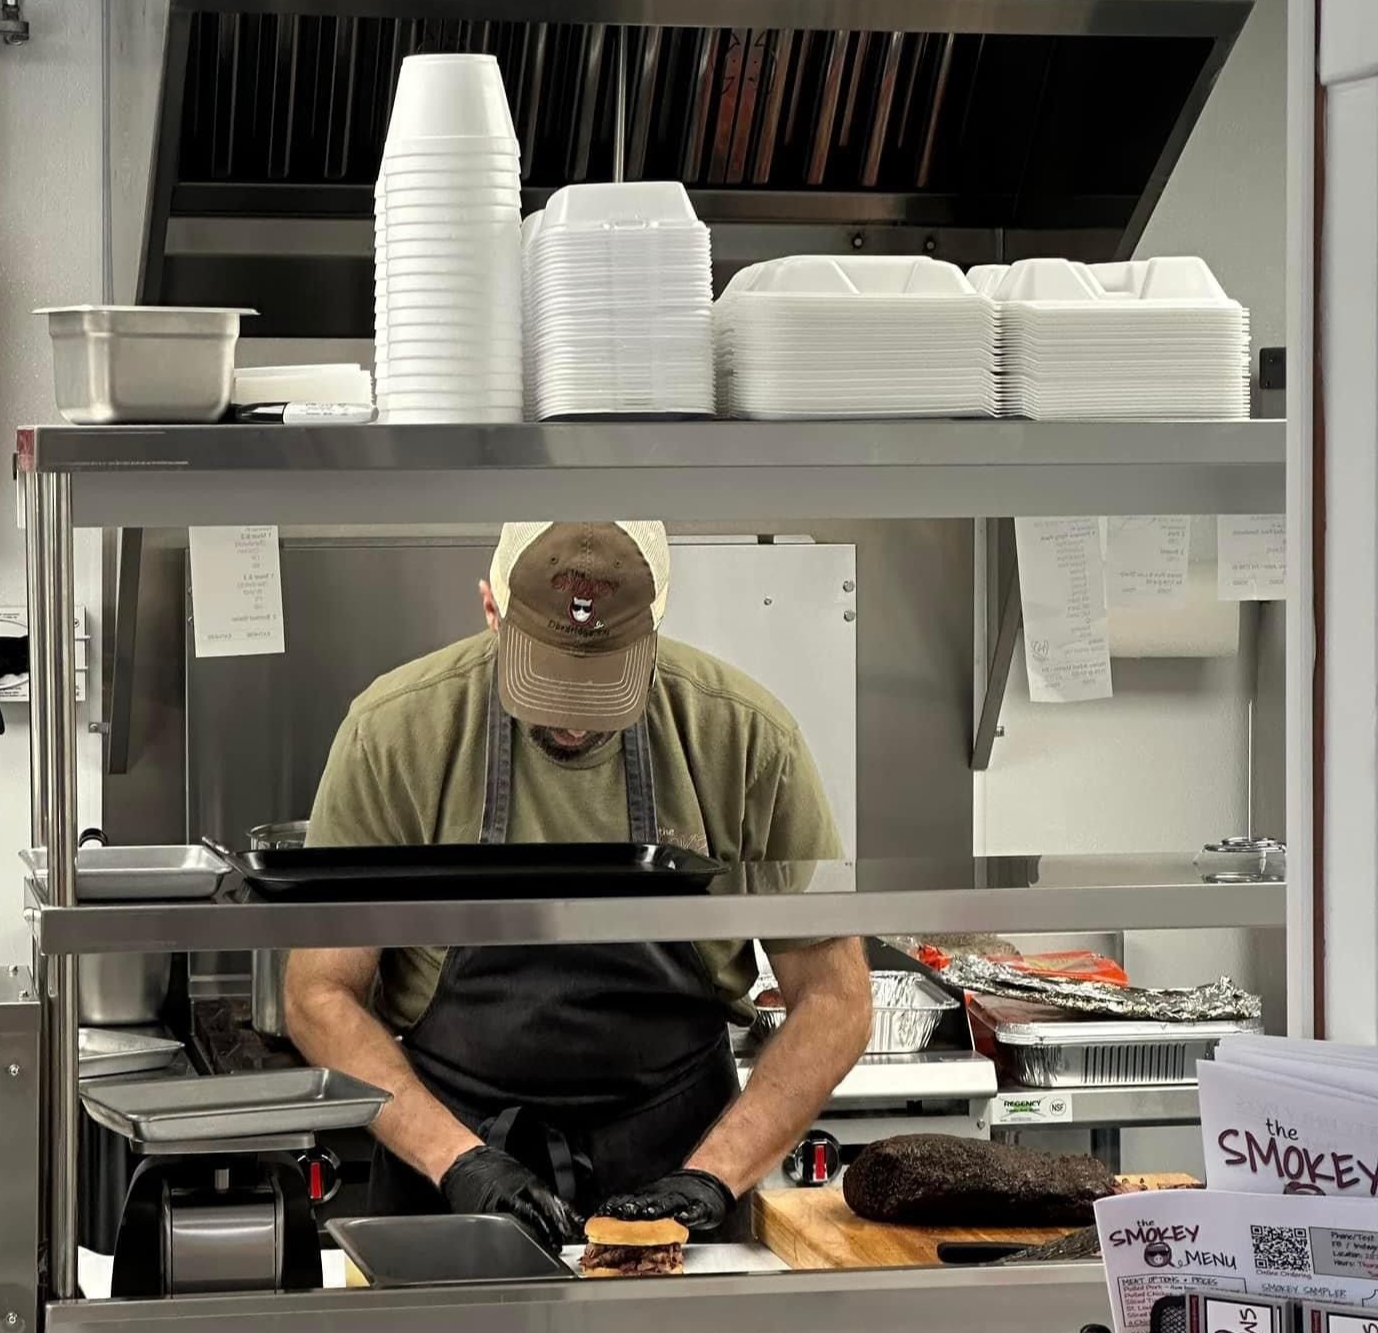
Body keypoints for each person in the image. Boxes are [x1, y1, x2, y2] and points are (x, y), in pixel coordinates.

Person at [285, 520, 871, 1251]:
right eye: (544, 678)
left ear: (655, 632)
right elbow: (318, 990)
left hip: (681, 1162)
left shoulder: (744, 738)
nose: (568, 718)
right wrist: (458, 1159)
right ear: (490, 611)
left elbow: (837, 998)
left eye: (600, 686)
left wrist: (711, 1178)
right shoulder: (395, 735)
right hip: (446, 1167)